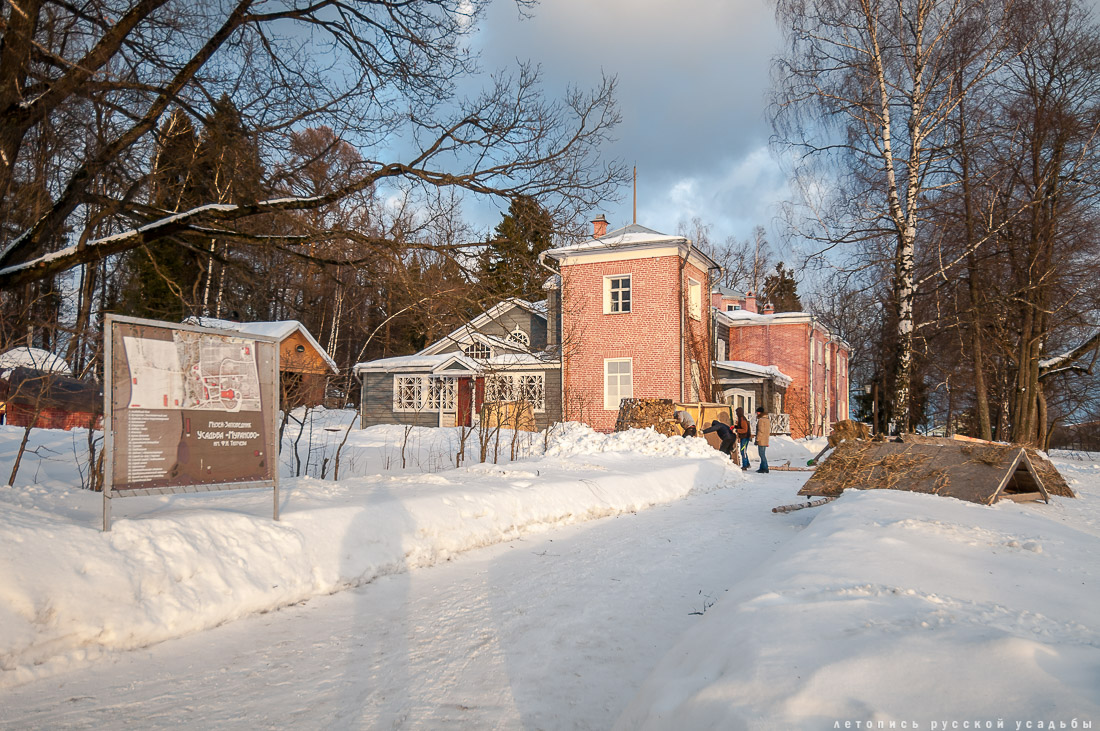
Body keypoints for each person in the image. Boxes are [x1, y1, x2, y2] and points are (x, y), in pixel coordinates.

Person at [754, 405, 771, 473]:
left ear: (759, 412)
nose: (757, 413)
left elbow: (760, 431)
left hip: (761, 440)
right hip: (766, 439)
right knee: (763, 454)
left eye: (757, 412)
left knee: (761, 454)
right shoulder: (767, 420)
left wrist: (757, 439)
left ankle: (765, 467)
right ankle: (762, 467)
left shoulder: (761, 420)